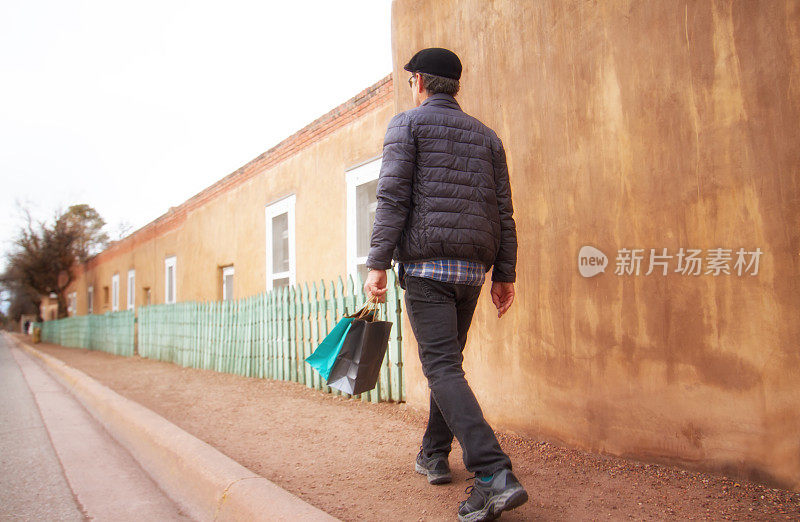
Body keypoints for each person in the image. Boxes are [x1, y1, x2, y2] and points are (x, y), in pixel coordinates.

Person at [363, 48, 527, 522]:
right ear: (454, 86)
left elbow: (392, 197)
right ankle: (433, 454)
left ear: (418, 82)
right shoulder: (488, 138)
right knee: (448, 366)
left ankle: (494, 473)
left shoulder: (407, 126)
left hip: (428, 270)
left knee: (441, 368)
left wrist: (377, 262)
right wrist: (505, 274)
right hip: (472, 273)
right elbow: (504, 212)